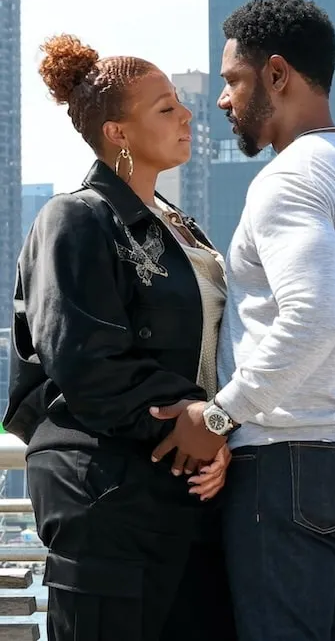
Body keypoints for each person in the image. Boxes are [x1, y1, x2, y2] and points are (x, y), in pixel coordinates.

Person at [150, 0, 335, 640]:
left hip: (288, 458)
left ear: (279, 74)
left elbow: (314, 314)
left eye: (234, 79)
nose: (223, 99)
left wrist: (218, 412)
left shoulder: (288, 180)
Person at [4, 34, 236, 640]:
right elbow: (84, 357)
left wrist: (216, 426)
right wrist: (190, 418)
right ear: (118, 133)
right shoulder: (75, 217)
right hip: (106, 489)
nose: (188, 114)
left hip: (185, 484)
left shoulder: (180, 226)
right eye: (165, 108)